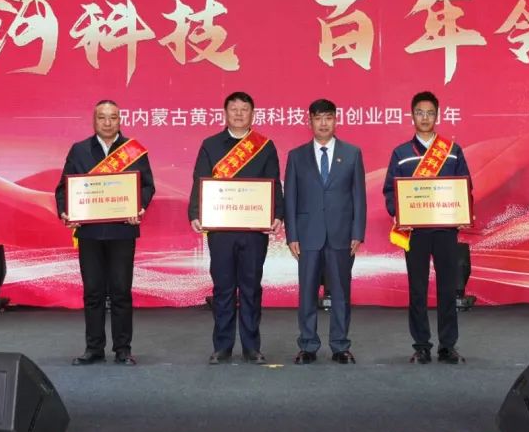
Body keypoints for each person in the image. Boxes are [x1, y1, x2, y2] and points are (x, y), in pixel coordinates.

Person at [55, 99, 155, 366]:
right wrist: (66, 211)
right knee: (93, 292)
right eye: (102, 117)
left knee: (121, 291)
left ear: (120, 120)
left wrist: (139, 206)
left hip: (123, 231)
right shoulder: (79, 150)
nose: (108, 123)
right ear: (94, 120)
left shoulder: (133, 150)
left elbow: (147, 186)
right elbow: (64, 188)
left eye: (113, 117)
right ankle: (94, 348)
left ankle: (123, 348)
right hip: (90, 232)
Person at [188, 91, 283, 365]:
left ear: (253, 114)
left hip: (254, 231)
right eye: (234, 109)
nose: (239, 114)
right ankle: (222, 346)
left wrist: (277, 214)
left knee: (251, 288)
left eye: (244, 109)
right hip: (221, 231)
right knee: (223, 288)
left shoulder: (264, 146)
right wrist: (195, 212)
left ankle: (252, 347)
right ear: (225, 113)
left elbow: (274, 182)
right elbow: (200, 180)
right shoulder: (211, 145)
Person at [382, 91, 472, 365]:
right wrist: (400, 213)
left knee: (448, 288)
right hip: (415, 232)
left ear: (437, 116)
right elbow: (390, 191)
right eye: (420, 113)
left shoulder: (452, 151)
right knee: (417, 289)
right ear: (412, 116)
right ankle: (421, 345)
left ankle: (447, 346)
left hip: (445, 230)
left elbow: (465, 186)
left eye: (430, 113)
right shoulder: (401, 153)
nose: (424, 117)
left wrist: (462, 211)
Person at [284, 99, 366, 365]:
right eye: (318, 118)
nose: (323, 123)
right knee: (307, 292)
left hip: (342, 234)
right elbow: (290, 198)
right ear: (309, 121)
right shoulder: (296, 156)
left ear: (336, 120)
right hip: (308, 235)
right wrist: (292, 235)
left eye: (328, 118)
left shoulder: (352, 154)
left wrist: (358, 232)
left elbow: (359, 196)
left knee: (341, 292)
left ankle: (340, 345)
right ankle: (308, 345)